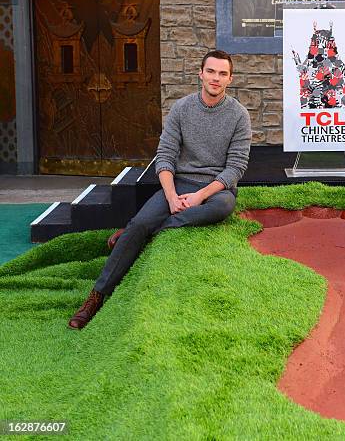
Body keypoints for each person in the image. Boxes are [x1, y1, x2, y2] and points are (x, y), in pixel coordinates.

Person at [68, 50, 252, 329]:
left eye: (222, 73)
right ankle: (96, 297)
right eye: (211, 71)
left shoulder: (239, 115)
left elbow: (235, 168)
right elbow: (164, 156)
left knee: (223, 207)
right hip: (178, 183)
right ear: (200, 73)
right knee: (141, 220)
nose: (216, 78)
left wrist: (200, 196)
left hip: (215, 189)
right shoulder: (181, 108)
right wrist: (172, 196)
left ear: (230, 78)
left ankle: (135, 235)